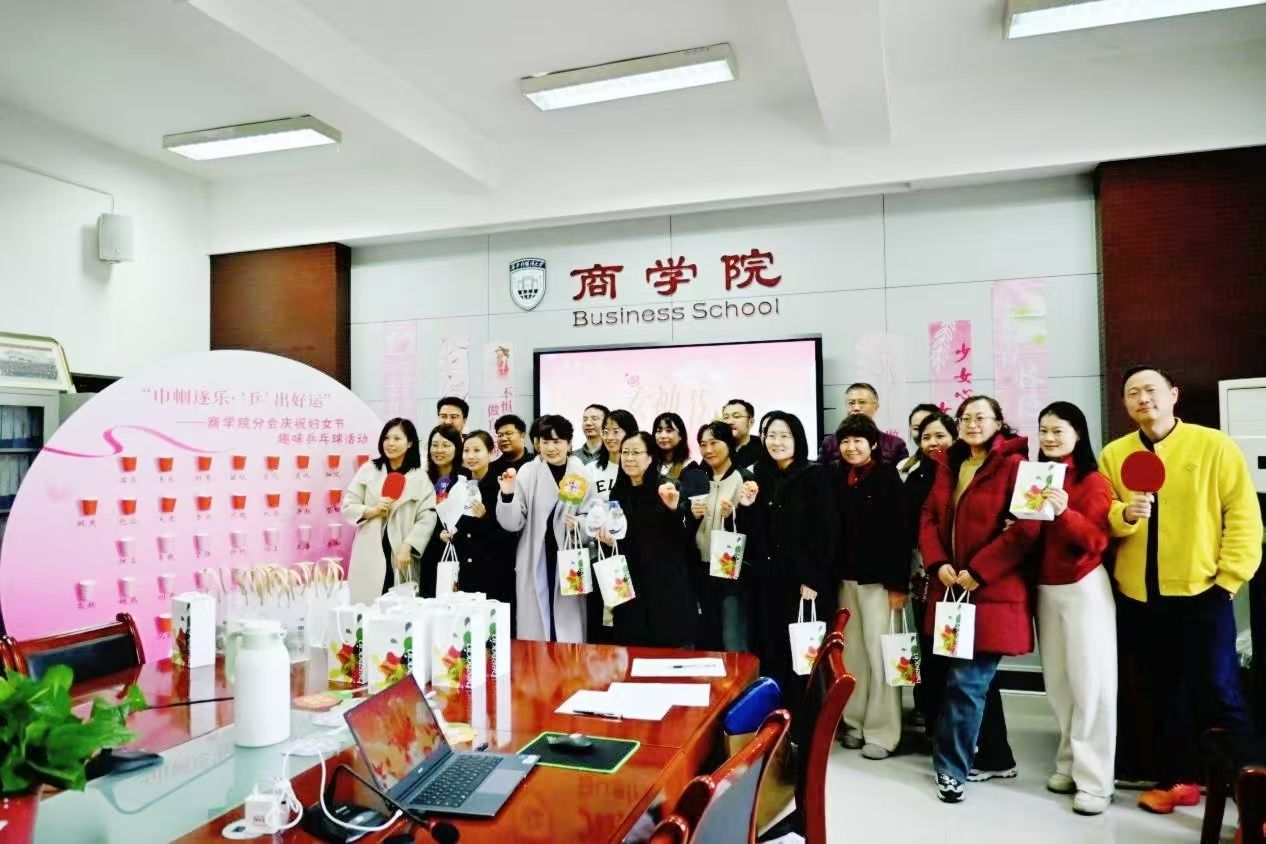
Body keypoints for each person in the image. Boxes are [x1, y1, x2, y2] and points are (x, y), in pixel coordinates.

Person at [1099, 367, 1261, 815]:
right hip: (1141, 597)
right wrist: (1124, 515)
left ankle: (1252, 803)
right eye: (1133, 392)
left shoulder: (1214, 445)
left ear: (1173, 394)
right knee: (1162, 691)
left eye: (1151, 389)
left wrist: (1228, 580)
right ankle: (1179, 780)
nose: (1143, 398)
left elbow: (1244, 517)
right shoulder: (1114, 454)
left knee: (1221, 694)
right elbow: (1103, 512)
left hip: (1203, 593)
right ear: (1125, 403)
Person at [920, 395, 1039, 804]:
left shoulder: (1017, 466)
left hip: (992, 591)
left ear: (999, 423)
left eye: (981, 417)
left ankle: (951, 770)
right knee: (968, 682)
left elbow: (1027, 528)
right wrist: (937, 563)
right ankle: (997, 758)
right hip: (952, 590)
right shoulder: (949, 464)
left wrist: (979, 570)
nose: (972, 424)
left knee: (965, 683)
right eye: (965, 418)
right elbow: (929, 518)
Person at [1030, 402, 1116, 816]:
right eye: (1043, 430)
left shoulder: (1093, 481)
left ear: (1078, 434)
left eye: (1058, 430)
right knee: (1059, 684)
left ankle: (1096, 781)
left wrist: (1064, 512)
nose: (1049, 438)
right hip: (1046, 590)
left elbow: (1097, 542)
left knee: (1091, 685)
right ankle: (1068, 762)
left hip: (1083, 588)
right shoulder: (1034, 477)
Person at [740, 410, 839, 717]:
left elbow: (826, 531)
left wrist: (813, 578)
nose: (777, 442)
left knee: (802, 658)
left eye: (784, 436)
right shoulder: (758, 476)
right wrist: (747, 507)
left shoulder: (815, 475)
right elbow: (754, 534)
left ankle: (803, 725)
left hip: (802, 585)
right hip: (767, 582)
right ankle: (774, 723)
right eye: (771, 435)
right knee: (770, 652)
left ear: (798, 440)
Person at [833, 413, 911, 761]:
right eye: (845, 441)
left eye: (858, 441)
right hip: (846, 580)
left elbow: (900, 535)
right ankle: (854, 722)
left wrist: (898, 585)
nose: (851, 447)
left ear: (874, 444)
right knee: (852, 656)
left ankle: (883, 731)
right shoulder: (838, 478)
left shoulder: (887, 478)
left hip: (879, 583)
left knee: (881, 655)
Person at [496, 414, 597, 642]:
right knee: (536, 622)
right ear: (537, 444)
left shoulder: (581, 474)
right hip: (535, 555)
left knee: (568, 623)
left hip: (569, 557)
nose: (551, 448)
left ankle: (569, 663)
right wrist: (508, 494)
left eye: (557, 441)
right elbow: (512, 523)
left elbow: (593, 515)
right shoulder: (528, 472)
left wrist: (580, 524)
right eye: (545, 441)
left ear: (569, 444)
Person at [594, 432, 697, 648]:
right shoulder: (618, 493)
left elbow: (684, 538)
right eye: (625, 452)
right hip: (629, 589)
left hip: (665, 588)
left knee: (669, 655)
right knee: (631, 654)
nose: (629, 458)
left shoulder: (668, 488)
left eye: (636, 452)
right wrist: (608, 540)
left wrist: (674, 510)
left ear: (650, 457)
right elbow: (621, 539)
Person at [342, 418, 437, 605]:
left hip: (401, 553)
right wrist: (373, 510)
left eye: (397, 438)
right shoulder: (369, 469)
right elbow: (348, 506)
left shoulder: (420, 477)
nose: (390, 443)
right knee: (365, 606)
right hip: (369, 550)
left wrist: (408, 546)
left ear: (410, 443)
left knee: (399, 608)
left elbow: (427, 517)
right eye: (386, 438)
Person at [681, 421, 757, 652]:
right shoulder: (695, 477)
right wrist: (690, 514)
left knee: (732, 635)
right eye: (703, 444)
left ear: (729, 444)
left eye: (714, 443)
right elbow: (683, 523)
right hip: (700, 568)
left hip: (731, 571)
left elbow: (756, 527)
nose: (708, 450)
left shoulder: (744, 478)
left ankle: (739, 676)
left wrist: (734, 514)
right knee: (707, 634)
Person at [905, 411, 958, 732]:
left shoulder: (962, 471)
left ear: (954, 437)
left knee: (951, 648)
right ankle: (927, 712)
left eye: (940, 436)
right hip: (920, 575)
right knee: (925, 646)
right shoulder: (914, 474)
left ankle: (952, 724)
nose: (933, 443)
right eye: (926, 437)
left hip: (953, 575)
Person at [446, 432, 517, 621]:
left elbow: (511, 533)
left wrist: (485, 518)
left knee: (491, 627)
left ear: (491, 453)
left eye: (477, 450)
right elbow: (454, 523)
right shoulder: (458, 487)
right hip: (464, 571)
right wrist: (449, 532)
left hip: (494, 573)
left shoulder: (502, 486)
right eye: (466, 450)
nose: (470, 456)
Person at [417, 425, 468, 597]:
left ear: (457, 448)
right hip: (429, 553)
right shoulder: (422, 479)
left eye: (446, 445)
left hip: (461, 553)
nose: (439, 450)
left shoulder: (466, 478)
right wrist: (436, 535)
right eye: (435, 445)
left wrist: (457, 531)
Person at [818, 383, 910, 466]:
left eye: (862, 402)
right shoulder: (829, 443)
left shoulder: (895, 444)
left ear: (876, 407)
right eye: (851, 403)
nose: (856, 408)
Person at [587, 409, 638, 503]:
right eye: (606, 432)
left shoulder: (640, 470)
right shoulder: (590, 469)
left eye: (616, 432)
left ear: (630, 434)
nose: (609, 437)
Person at [898, 404, 941, 482]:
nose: (922, 433)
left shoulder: (957, 465)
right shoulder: (901, 467)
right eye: (916, 428)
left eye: (928, 426)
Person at [723, 399, 765, 468]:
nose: (729, 422)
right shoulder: (716, 447)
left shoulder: (764, 448)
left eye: (736, 416)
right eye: (725, 417)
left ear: (751, 422)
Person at [652, 412, 691, 481]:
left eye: (669, 431)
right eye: (659, 431)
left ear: (680, 436)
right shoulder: (650, 464)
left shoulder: (690, 467)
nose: (663, 436)